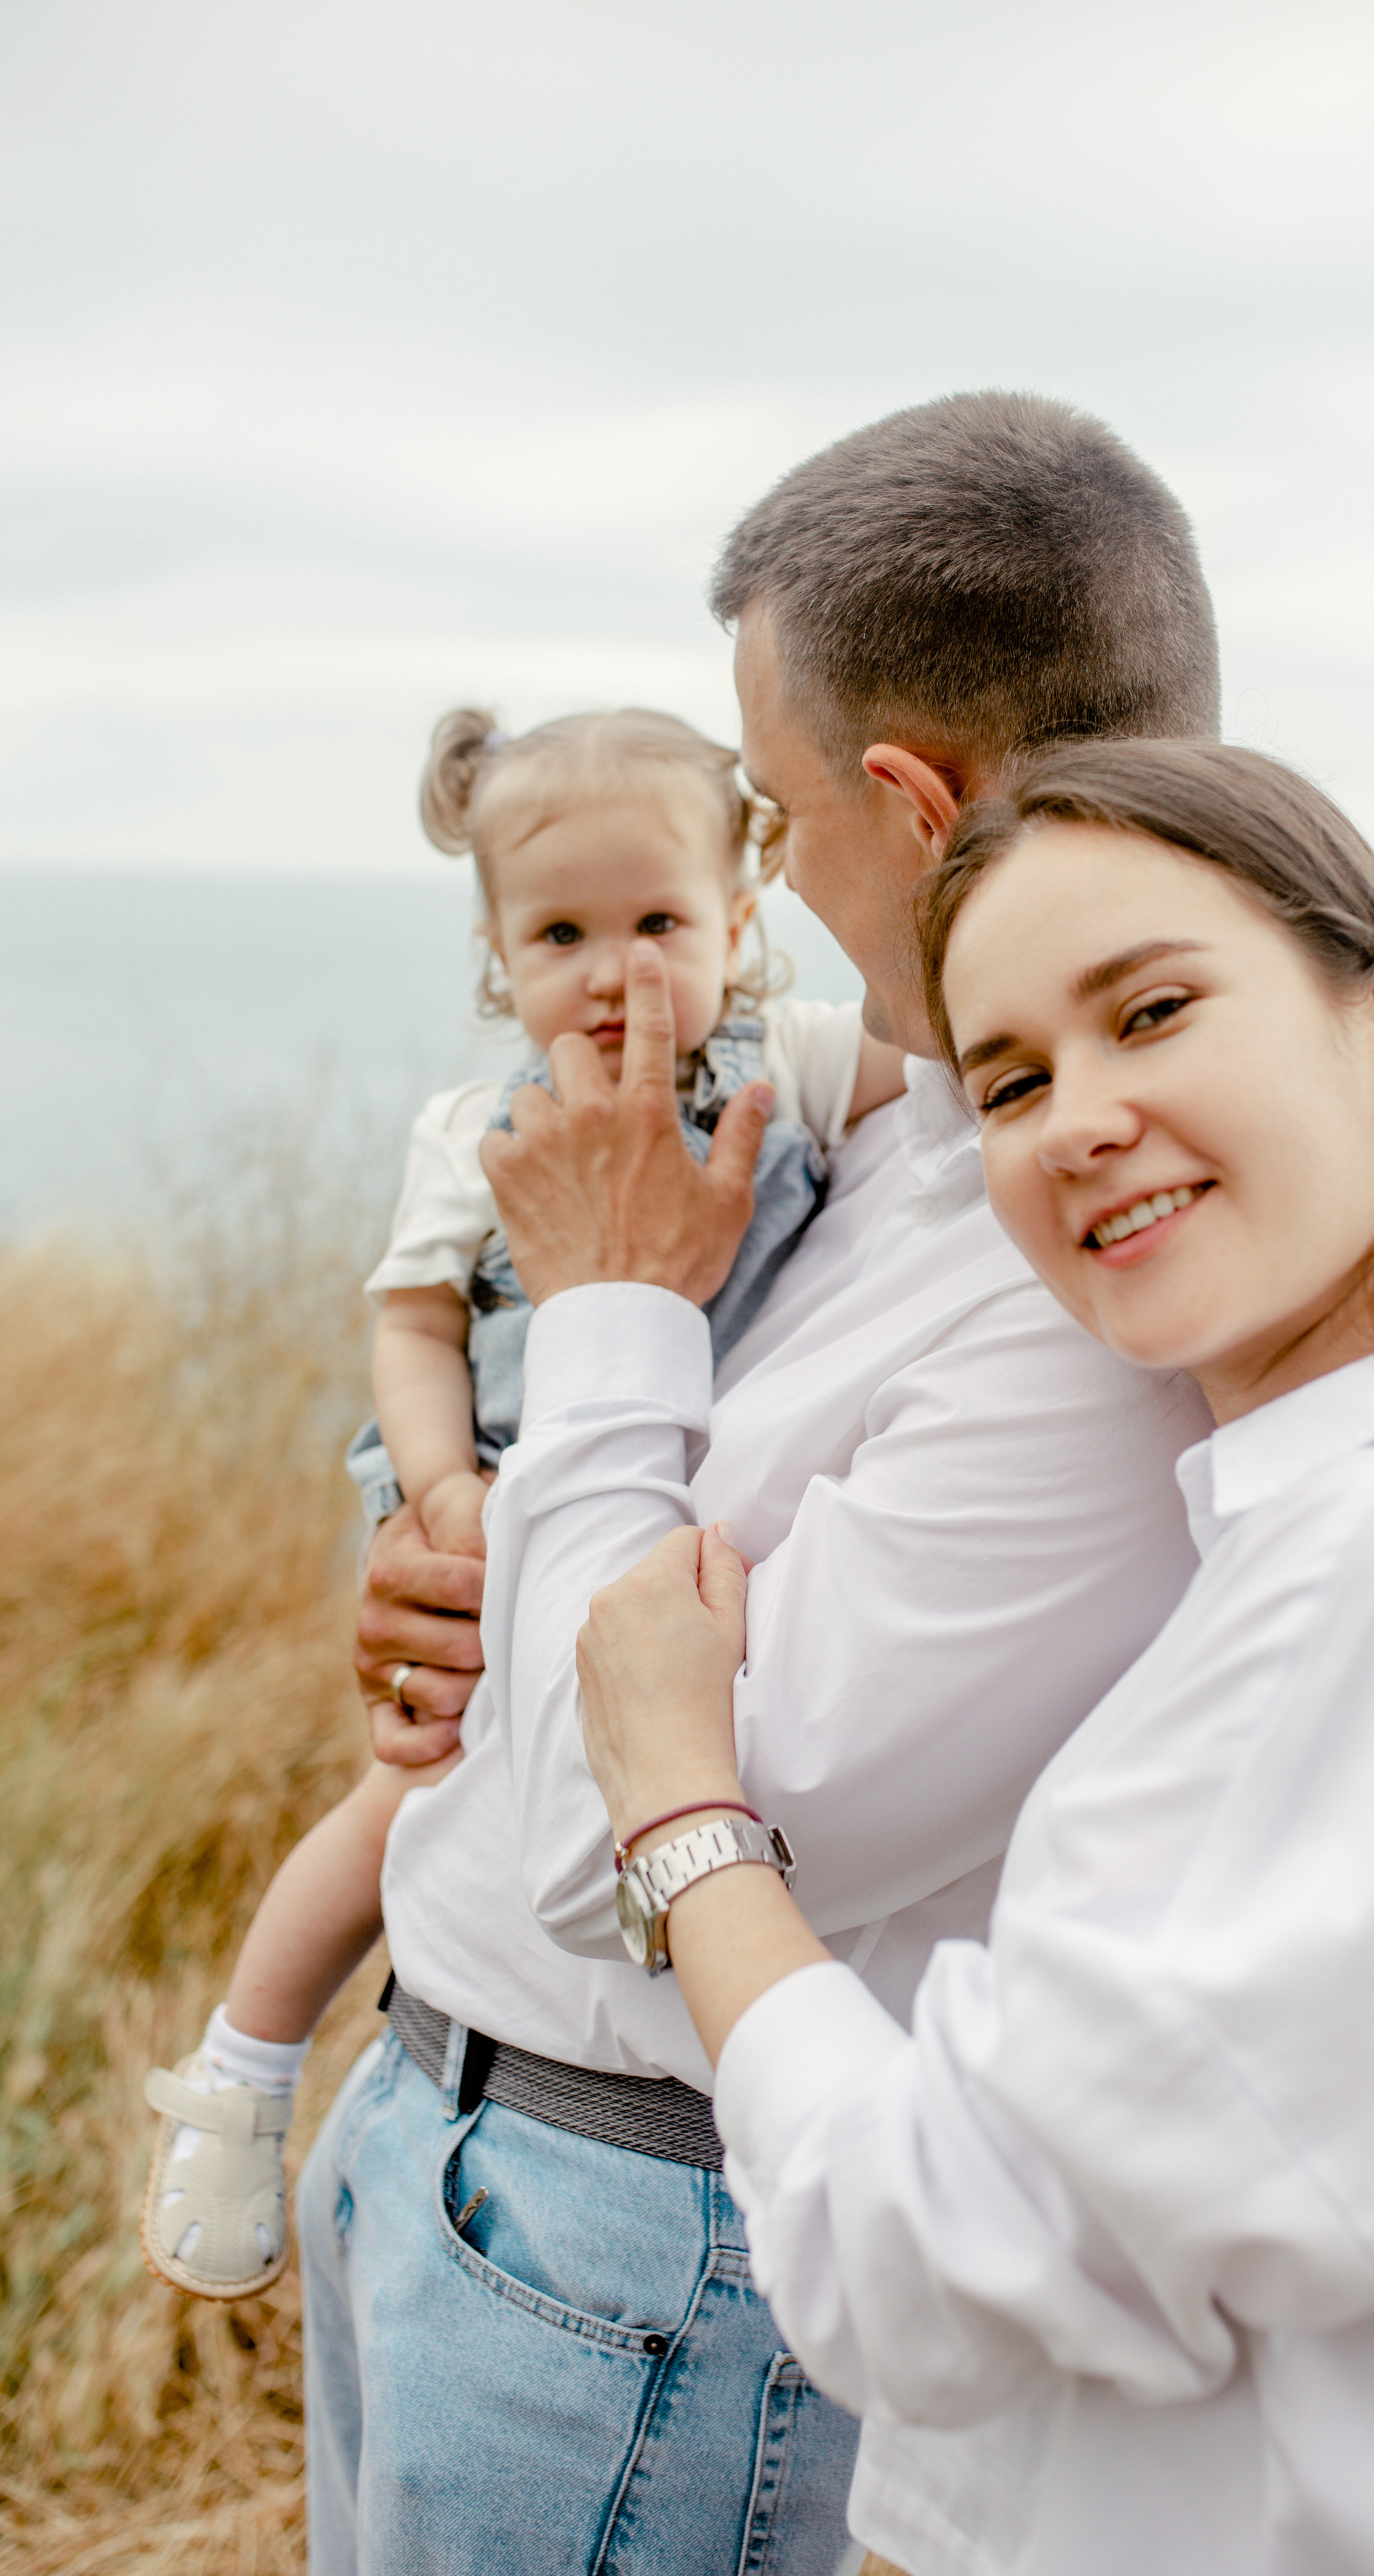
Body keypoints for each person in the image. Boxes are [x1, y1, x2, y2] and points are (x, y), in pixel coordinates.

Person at [571, 736, 1374, 2576]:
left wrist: (680, 1810)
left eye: (1151, 1012)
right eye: (1012, 1079)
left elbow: (917, 2259)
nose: (1078, 1122)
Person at [305, 391, 1221, 2576]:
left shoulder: (1086, 1290)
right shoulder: (904, 1125)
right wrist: (458, 1564)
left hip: (621, 2259)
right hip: (460, 2146)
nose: (772, 893)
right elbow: (570, 1665)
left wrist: (611, 1309)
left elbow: (609, 1855)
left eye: (780, 819)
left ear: (900, 804)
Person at [141, 702, 899, 2304]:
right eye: (560, 935)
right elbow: (414, 1324)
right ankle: (241, 2070)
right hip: (502, 1493)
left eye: (659, 924)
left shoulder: (799, 1064)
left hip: (671, 1524)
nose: (615, 972)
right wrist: (439, 1491)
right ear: (497, 958)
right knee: (404, 1791)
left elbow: (957, 1066)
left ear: (739, 921)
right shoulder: (467, 1132)